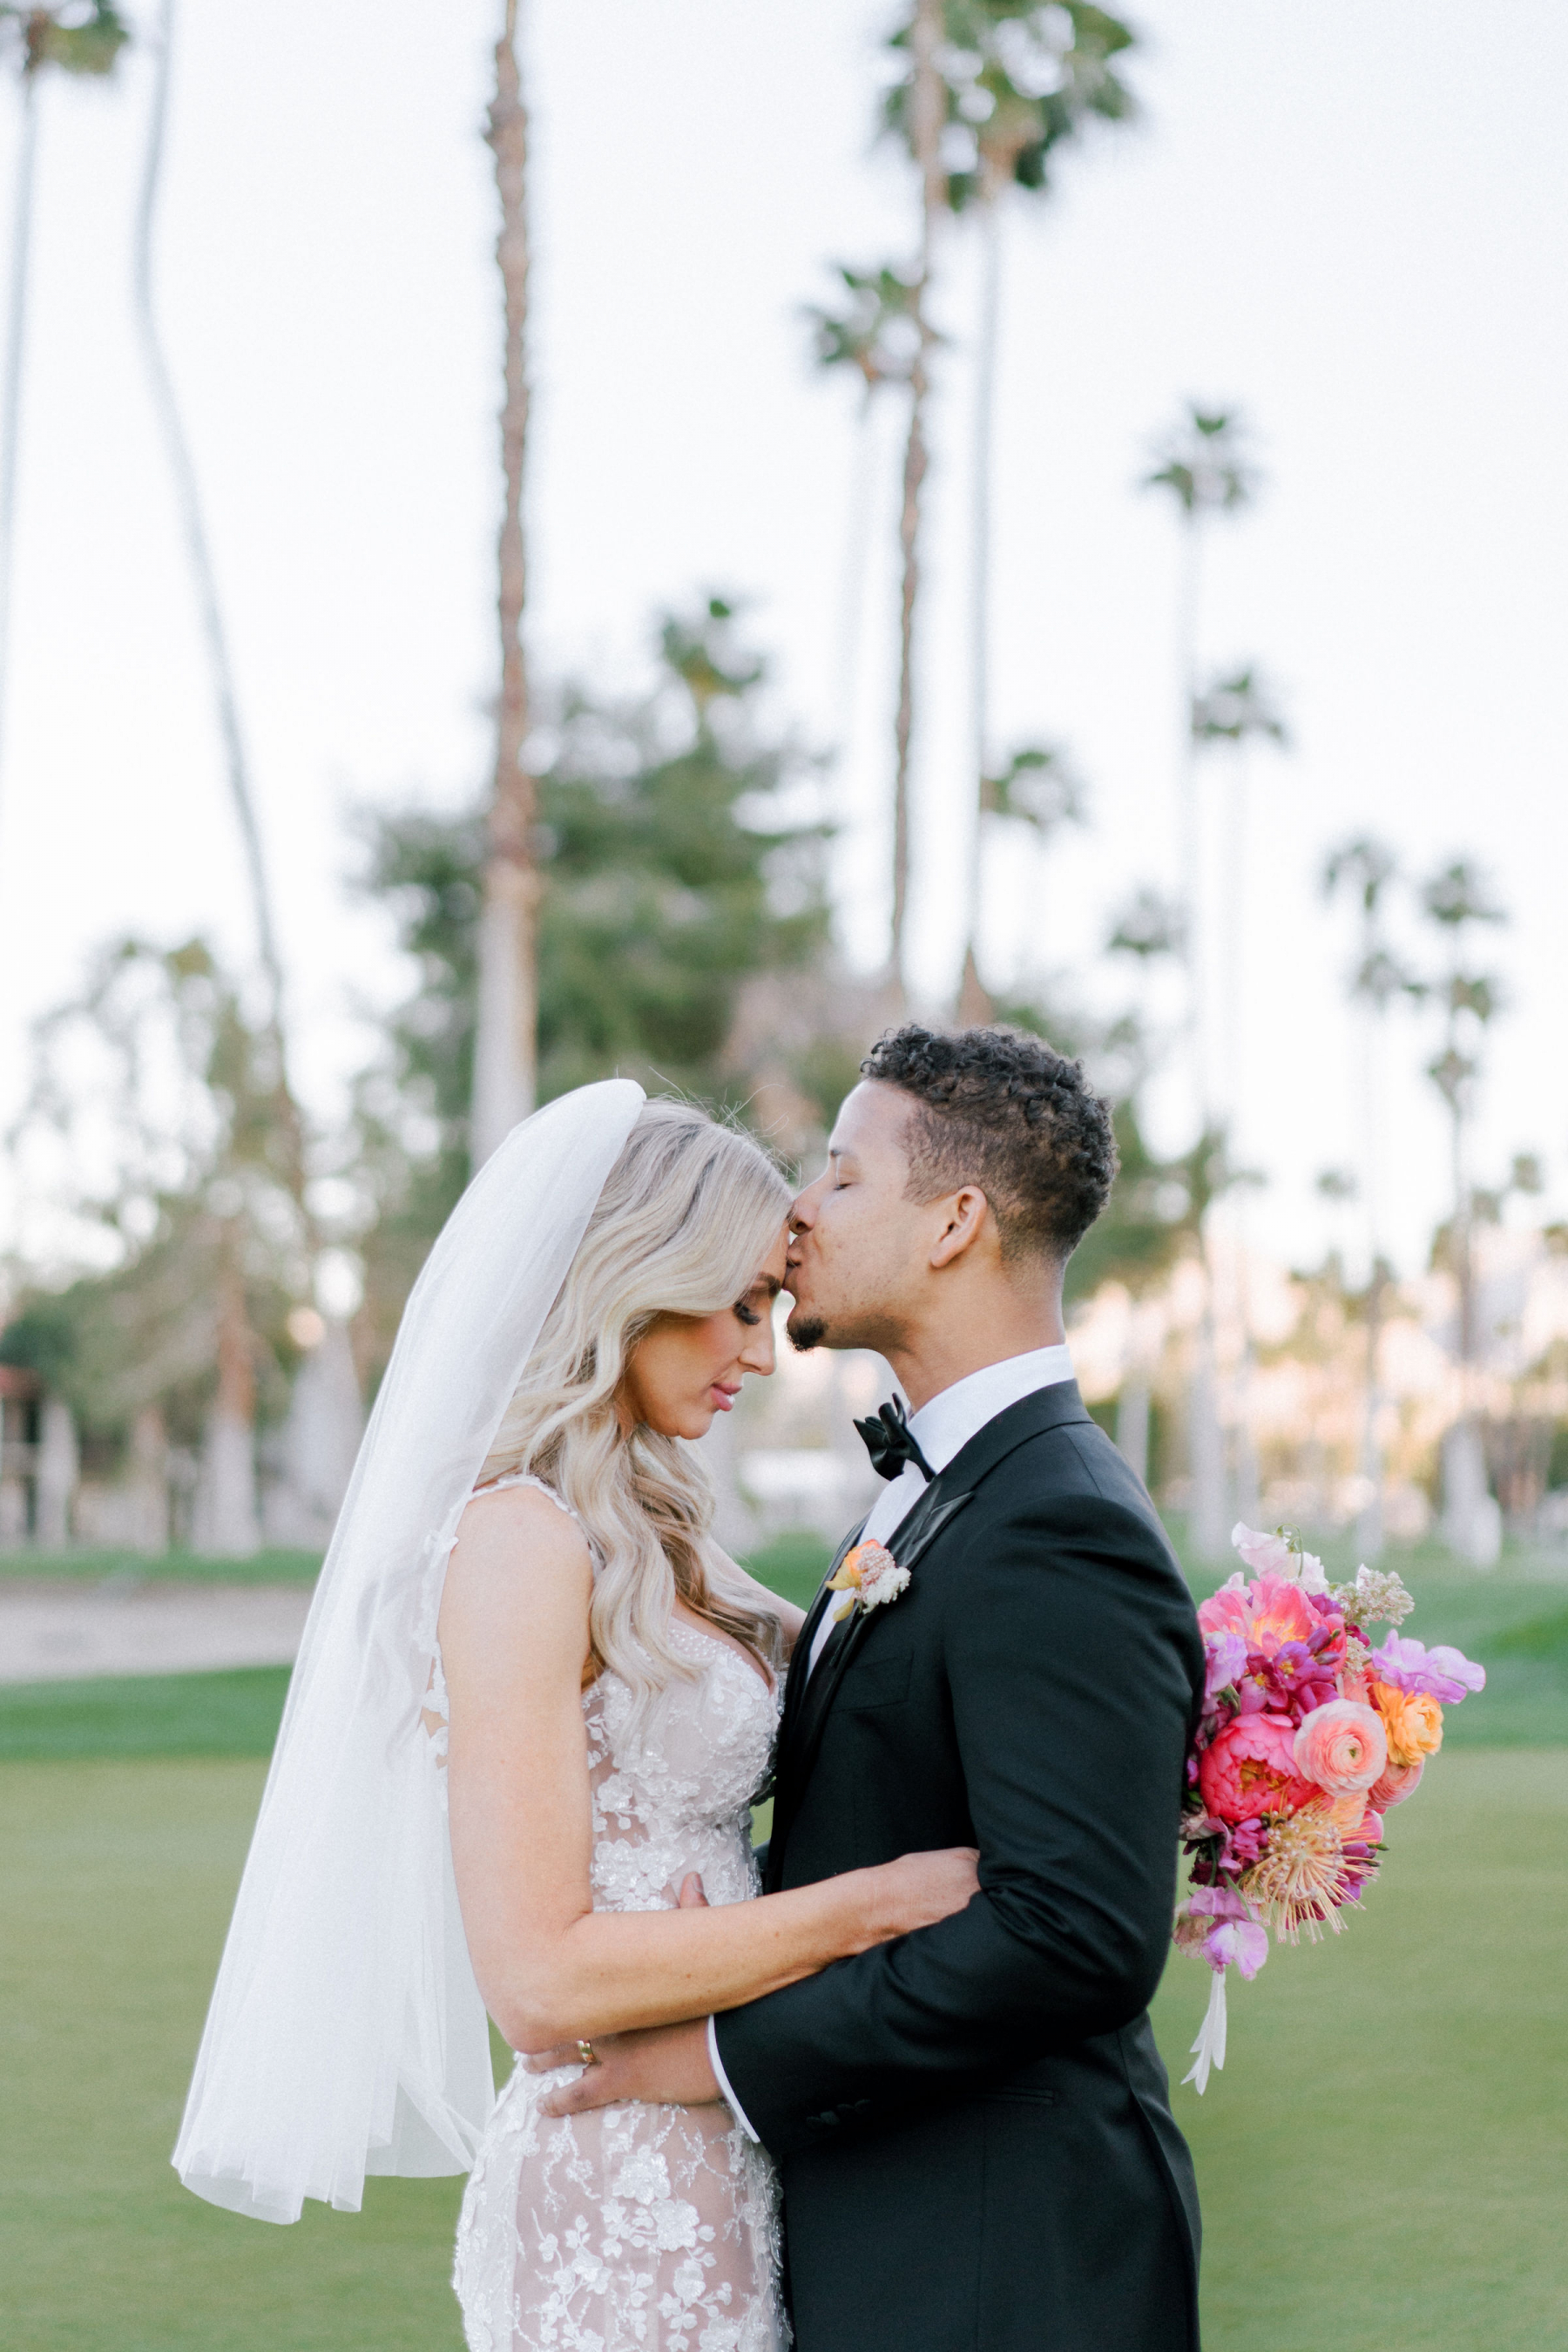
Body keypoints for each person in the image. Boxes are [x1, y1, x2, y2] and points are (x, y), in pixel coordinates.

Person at [173, 1085, 976, 2352]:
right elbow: (539, 1980)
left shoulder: (662, 1531)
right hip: (614, 2185)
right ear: (638, 1277)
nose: (764, 1352)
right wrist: (872, 1908)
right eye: (744, 1303)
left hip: (734, 2139)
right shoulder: (515, 1543)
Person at [534, 1027, 1208, 2352]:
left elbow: (1073, 1932)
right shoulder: (937, 1496)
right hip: (898, 2218)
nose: (797, 1210)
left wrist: (720, 2061)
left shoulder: (1055, 1518)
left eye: (841, 1178)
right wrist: (723, 1925)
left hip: (1000, 2255)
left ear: (957, 1221)